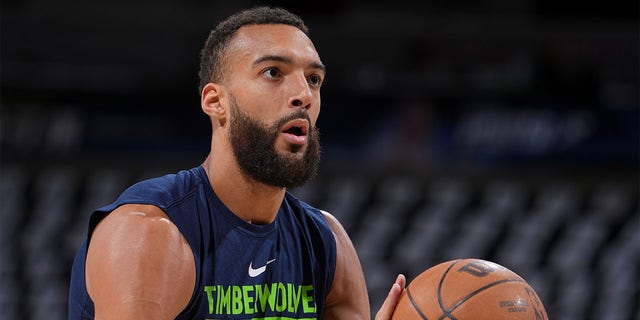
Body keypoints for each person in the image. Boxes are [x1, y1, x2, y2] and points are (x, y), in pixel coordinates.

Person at [68, 5, 405, 320]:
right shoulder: (149, 236)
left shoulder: (327, 244)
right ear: (216, 101)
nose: (304, 94)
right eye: (274, 72)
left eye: (314, 79)